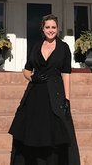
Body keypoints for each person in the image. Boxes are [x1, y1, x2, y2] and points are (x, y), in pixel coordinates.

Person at [9, 14, 80, 165]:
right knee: (32, 132)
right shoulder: (36, 46)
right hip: (35, 94)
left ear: (58, 29)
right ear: (42, 29)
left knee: (55, 134)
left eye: (53, 27)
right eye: (47, 27)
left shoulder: (64, 48)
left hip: (55, 94)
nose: (51, 30)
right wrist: (32, 78)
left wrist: (67, 99)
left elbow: (66, 74)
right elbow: (26, 70)